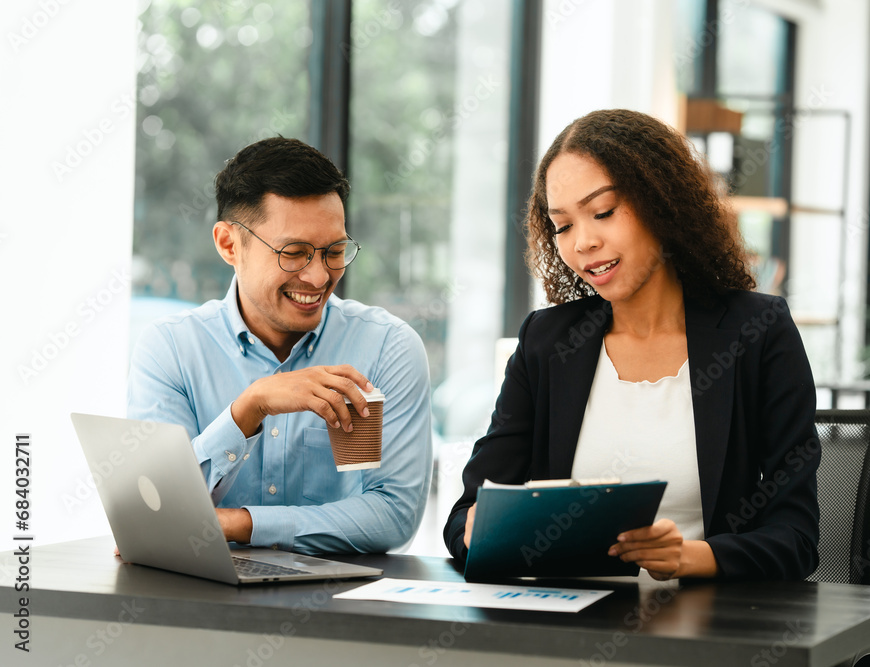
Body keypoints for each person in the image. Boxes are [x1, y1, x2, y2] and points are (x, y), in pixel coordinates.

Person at [443, 109, 820, 581]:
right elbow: (466, 515)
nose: (583, 242)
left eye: (602, 213)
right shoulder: (547, 342)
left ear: (663, 203)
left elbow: (797, 539)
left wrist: (691, 557)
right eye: (562, 226)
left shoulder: (758, 332)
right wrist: (475, 531)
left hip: (706, 628)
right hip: (564, 624)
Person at [128, 137, 433, 555]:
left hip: (342, 606)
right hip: (199, 603)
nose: (318, 277)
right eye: (294, 253)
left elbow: (393, 515)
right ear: (229, 245)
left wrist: (242, 523)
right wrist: (249, 408)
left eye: (334, 251)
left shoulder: (387, 348)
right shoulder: (171, 348)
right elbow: (155, 511)